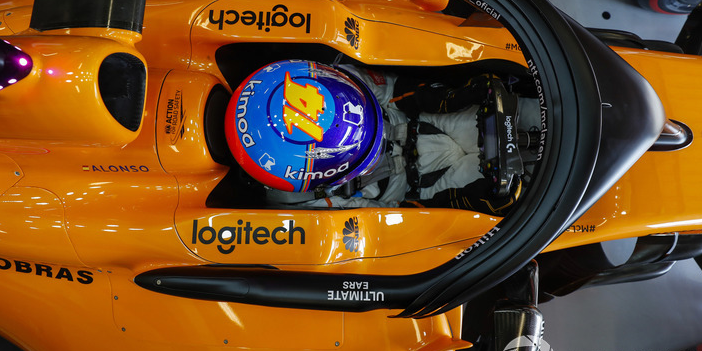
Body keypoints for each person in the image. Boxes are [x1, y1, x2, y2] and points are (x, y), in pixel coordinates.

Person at [224, 59, 539, 214]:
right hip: (416, 188)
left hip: (418, 118)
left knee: (532, 113)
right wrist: (465, 205)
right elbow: (380, 221)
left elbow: (396, 89)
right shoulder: (300, 199)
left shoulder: (337, 79)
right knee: (522, 191)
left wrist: (455, 96)